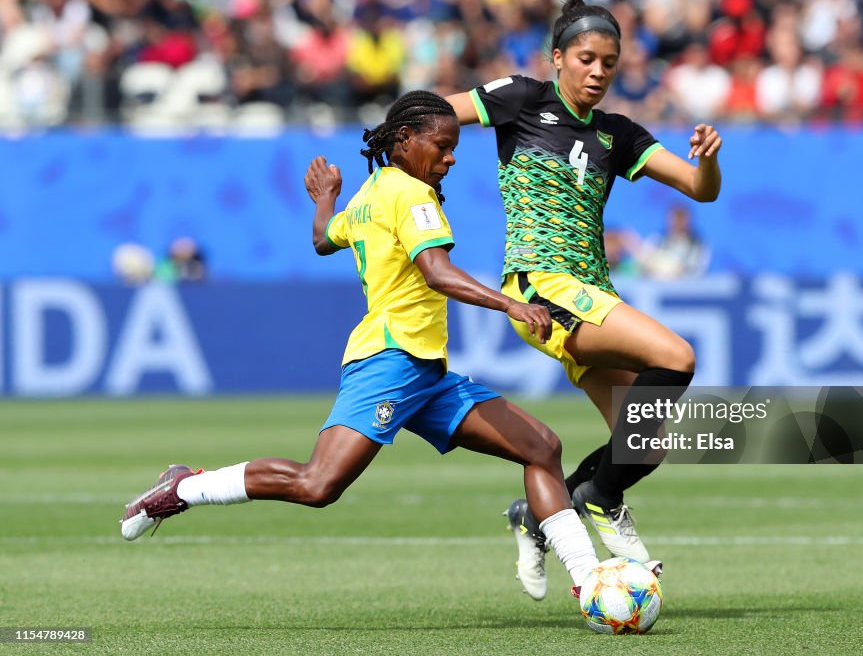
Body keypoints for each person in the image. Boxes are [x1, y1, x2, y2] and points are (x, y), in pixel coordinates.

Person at [119, 91, 607, 599]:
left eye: (453, 147)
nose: (451, 157)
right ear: (404, 140)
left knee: (541, 447)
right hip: (391, 361)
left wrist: (327, 196)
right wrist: (510, 305)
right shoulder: (410, 194)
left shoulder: (373, 191)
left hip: (426, 373)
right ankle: (183, 488)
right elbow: (436, 272)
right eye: (441, 146)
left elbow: (325, 238)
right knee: (317, 484)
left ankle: (591, 581)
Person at [445, 0, 722, 600]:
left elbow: (700, 191)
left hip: (592, 291)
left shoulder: (618, 134)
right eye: (587, 59)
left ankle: (539, 515)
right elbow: (441, 114)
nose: (598, 72)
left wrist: (708, 163)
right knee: (676, 357)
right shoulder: (522, 99)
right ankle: (600, 497)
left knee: (645, 443)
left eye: (609, 64)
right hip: (543, 289)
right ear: (558, 58)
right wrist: (402, 139)